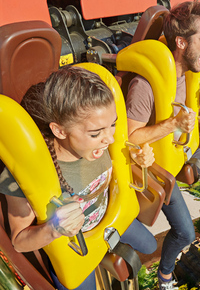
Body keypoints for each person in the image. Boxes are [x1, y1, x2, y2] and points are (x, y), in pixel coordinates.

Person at [0, 66, 157, 290]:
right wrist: (54, 229)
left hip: (110, 219)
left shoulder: (103, 145)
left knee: (150, 246)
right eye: (96, 133)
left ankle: (103, 253)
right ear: (60, 131)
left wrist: (137, 159)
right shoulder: (26, 173)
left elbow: (119, 168)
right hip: (75, 246)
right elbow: (19, 241)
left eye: (112, 125)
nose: (110, 140)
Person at [126, 0, 200, 290]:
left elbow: (183, 112)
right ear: (182, 43)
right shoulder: (145, 86)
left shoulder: (187, 75)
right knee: (185, 234)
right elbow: (130, 137)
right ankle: (165, 275)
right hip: (160, 167)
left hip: (182, 151)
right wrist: (171, 124)